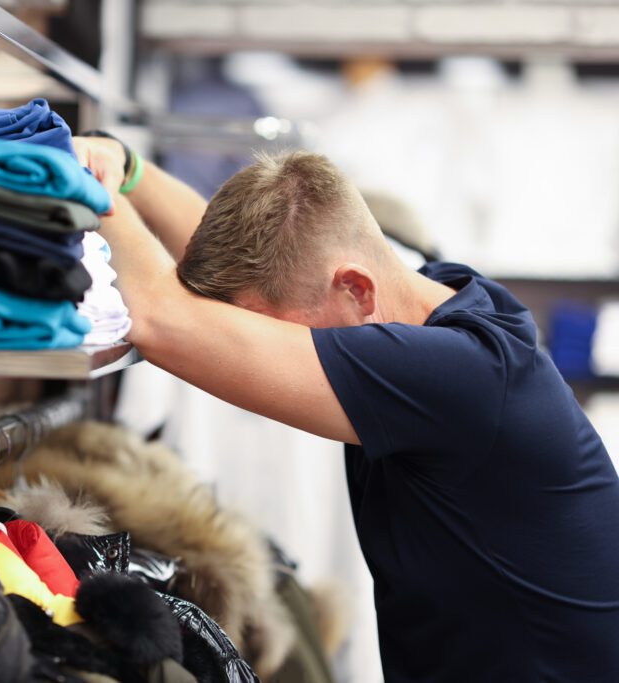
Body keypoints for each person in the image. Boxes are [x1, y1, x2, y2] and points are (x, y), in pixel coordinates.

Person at [74, 136, 619, 682]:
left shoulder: (457, 375)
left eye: (282, 336)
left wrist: (96, 191)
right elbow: (246, 282)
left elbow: (162, 322)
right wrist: (129, 172)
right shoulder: (436, 298)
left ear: (356, 288)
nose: (269, 355)